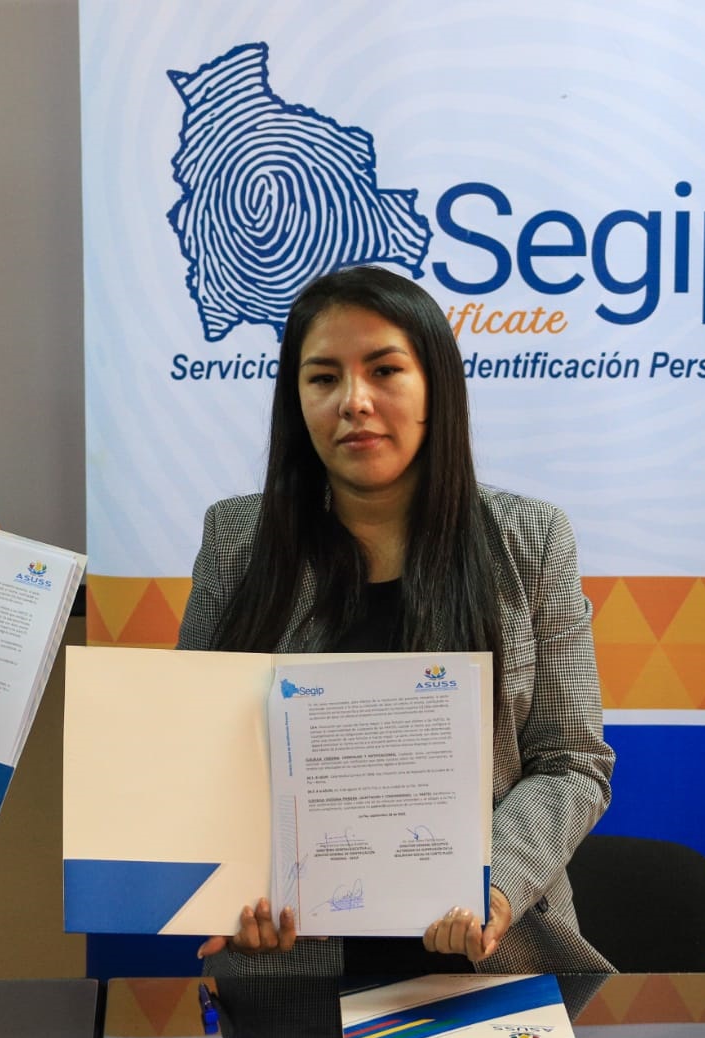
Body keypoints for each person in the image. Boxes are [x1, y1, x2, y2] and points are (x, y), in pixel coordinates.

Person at [179, 265, 614, 976]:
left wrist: (493, 885)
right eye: (323, 378)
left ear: (435, 387)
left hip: (485, 961)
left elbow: (571, 761)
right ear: (297, 401)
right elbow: (197, 755)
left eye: (384, 371)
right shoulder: (237, 540)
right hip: (288, 965)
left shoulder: (530, 539)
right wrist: (234, 891)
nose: (354, 401)